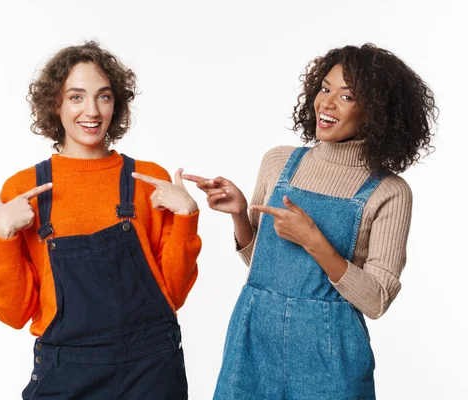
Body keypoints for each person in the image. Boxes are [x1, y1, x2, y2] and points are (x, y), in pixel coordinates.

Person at [184, 43, 437, 399]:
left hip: (331, 353)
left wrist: (314, 242)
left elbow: (376, 300)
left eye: (347, 96)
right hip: (254, 339)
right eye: (325, 89)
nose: (327, 104)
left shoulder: (389, 192)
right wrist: (241, 215)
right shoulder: (279, 162)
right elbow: (264, 266)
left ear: (377, 112)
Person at [0, 41, 201, 399]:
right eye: (76, 97)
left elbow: (173, 296)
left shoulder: (148, 181)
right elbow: (14, 314)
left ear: (116, 103)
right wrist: (2, 237)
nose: (92, 110)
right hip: (66, 372)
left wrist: (186, 219)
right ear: (54, 104)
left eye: (103, 96)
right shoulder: (25, 189)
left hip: (151, 370)